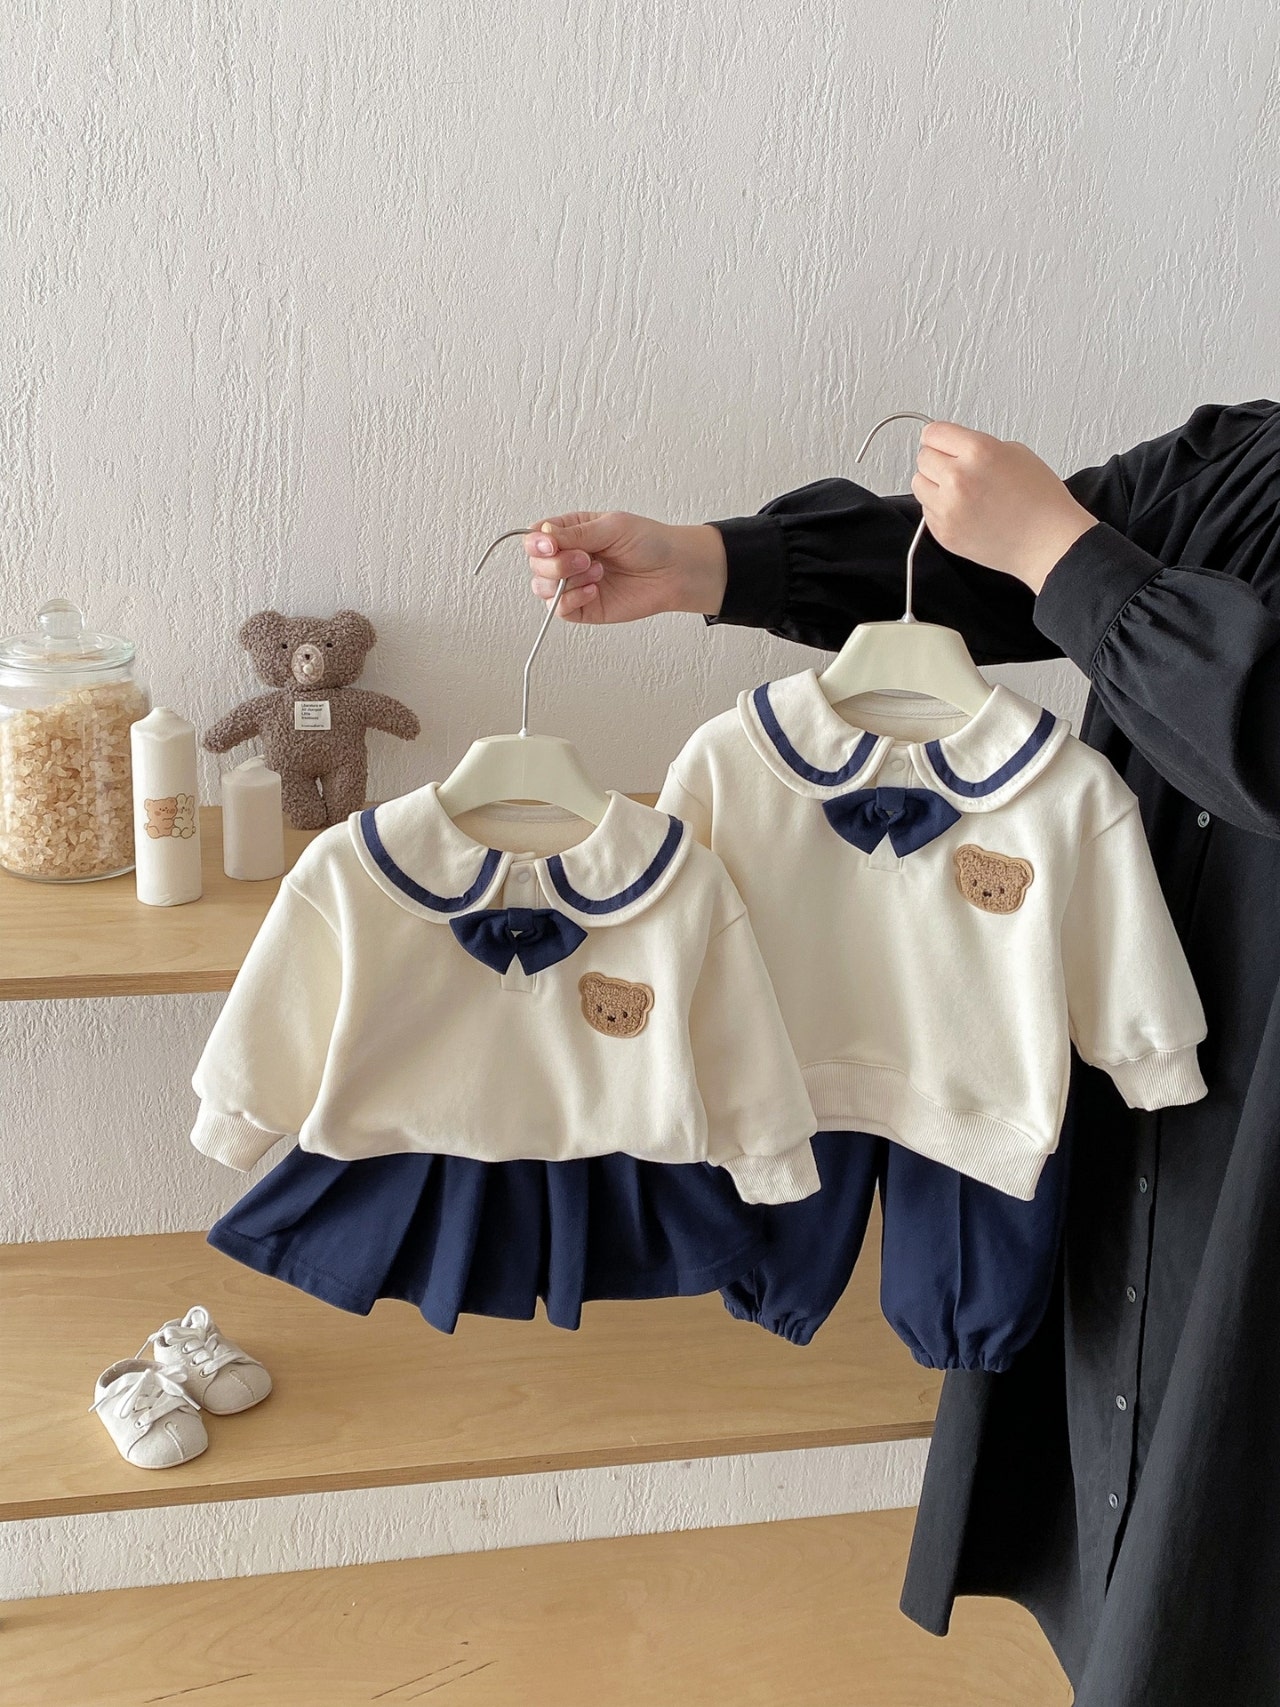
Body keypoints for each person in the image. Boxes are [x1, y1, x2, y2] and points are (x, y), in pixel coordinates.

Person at [522, 401, 1280, 1707]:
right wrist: (707, 563)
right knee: (1133, 1412)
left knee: (1225, 1476)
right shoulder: (1252, 458)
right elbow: (984, 562)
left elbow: (1070, 565)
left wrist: (1063, 551)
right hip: (1137, 1071)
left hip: (1229, 1085)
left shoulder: (1052, 797)